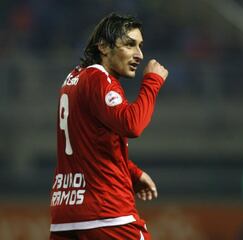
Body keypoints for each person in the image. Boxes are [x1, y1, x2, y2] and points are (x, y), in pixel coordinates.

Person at [49, 13, 168, 240]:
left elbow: (88, 145)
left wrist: (132, 172)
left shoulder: (72, 78)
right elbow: (132, 125)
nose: (139, 55)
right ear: (103, 46)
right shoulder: (98, 78)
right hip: (107, 215)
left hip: (65, 215)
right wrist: (152, 82)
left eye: (140, 46)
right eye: (130, 45)